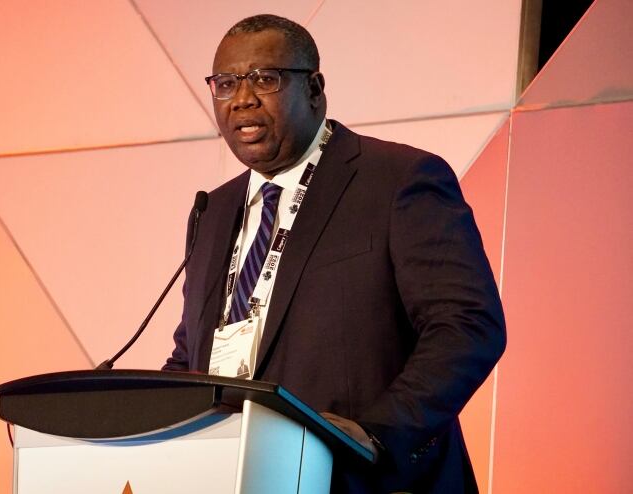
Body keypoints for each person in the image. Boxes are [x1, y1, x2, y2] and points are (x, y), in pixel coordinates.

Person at [163, 14, 505, 493]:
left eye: (265, 78)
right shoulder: (214, 210)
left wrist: (376, 434)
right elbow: (193, 355)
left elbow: (467, 326)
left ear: (315, 89)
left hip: (363, 479)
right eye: (226, 83)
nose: (242, 98)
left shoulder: (398, 179)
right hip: (239, 477)